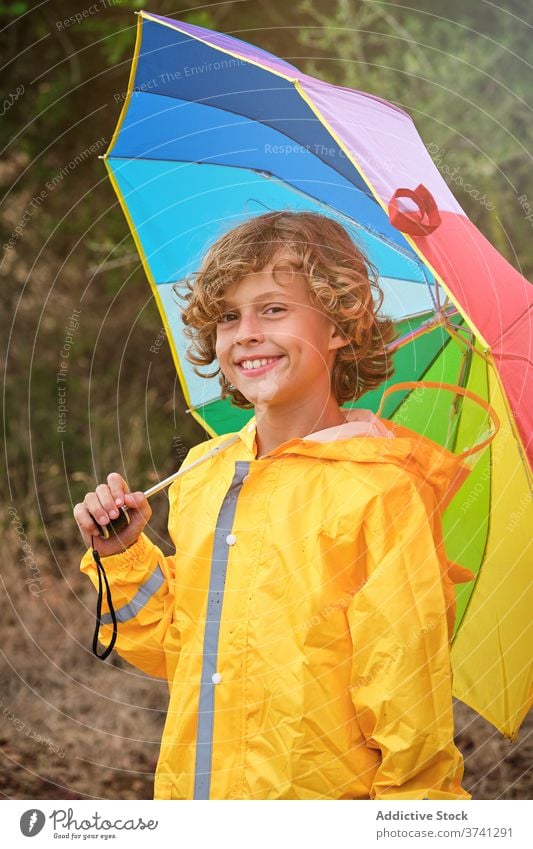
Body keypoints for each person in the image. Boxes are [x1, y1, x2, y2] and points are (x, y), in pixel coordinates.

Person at [75, 210, 476, 800]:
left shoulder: (381, 490)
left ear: (340, 327)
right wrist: (125, 555)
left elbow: (405, 695)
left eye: (274, 309)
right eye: (229, 318)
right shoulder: (205, 473)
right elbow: (184, 653)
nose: (246, 334)